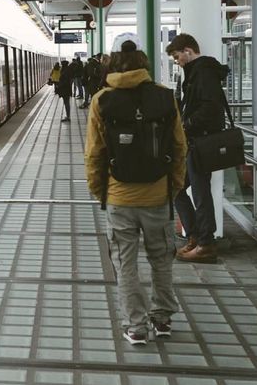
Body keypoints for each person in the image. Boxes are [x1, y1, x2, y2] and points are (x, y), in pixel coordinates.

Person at [85, 41, 187, 345]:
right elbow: (181, 148)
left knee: (125, 264)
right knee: (161, 259)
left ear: (113, 65)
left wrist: (100, 191)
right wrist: (174, 187)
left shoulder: (101, 100)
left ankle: (136, 327)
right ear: (144, 64)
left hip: (119, 198)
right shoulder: (165, 98)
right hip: (158, 196)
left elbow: (94, 155)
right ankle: (163, 319)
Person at [165, 33, 229, 264]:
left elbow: (211, 108)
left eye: (176, 56)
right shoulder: (195, 73)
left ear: (188, 51)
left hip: (201, 142)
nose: (176, 61)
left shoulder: (203, 73)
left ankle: (205, 243)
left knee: (200, 193)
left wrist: (186, 124)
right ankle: (195, 235)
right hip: (194, 142)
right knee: (176, 187)